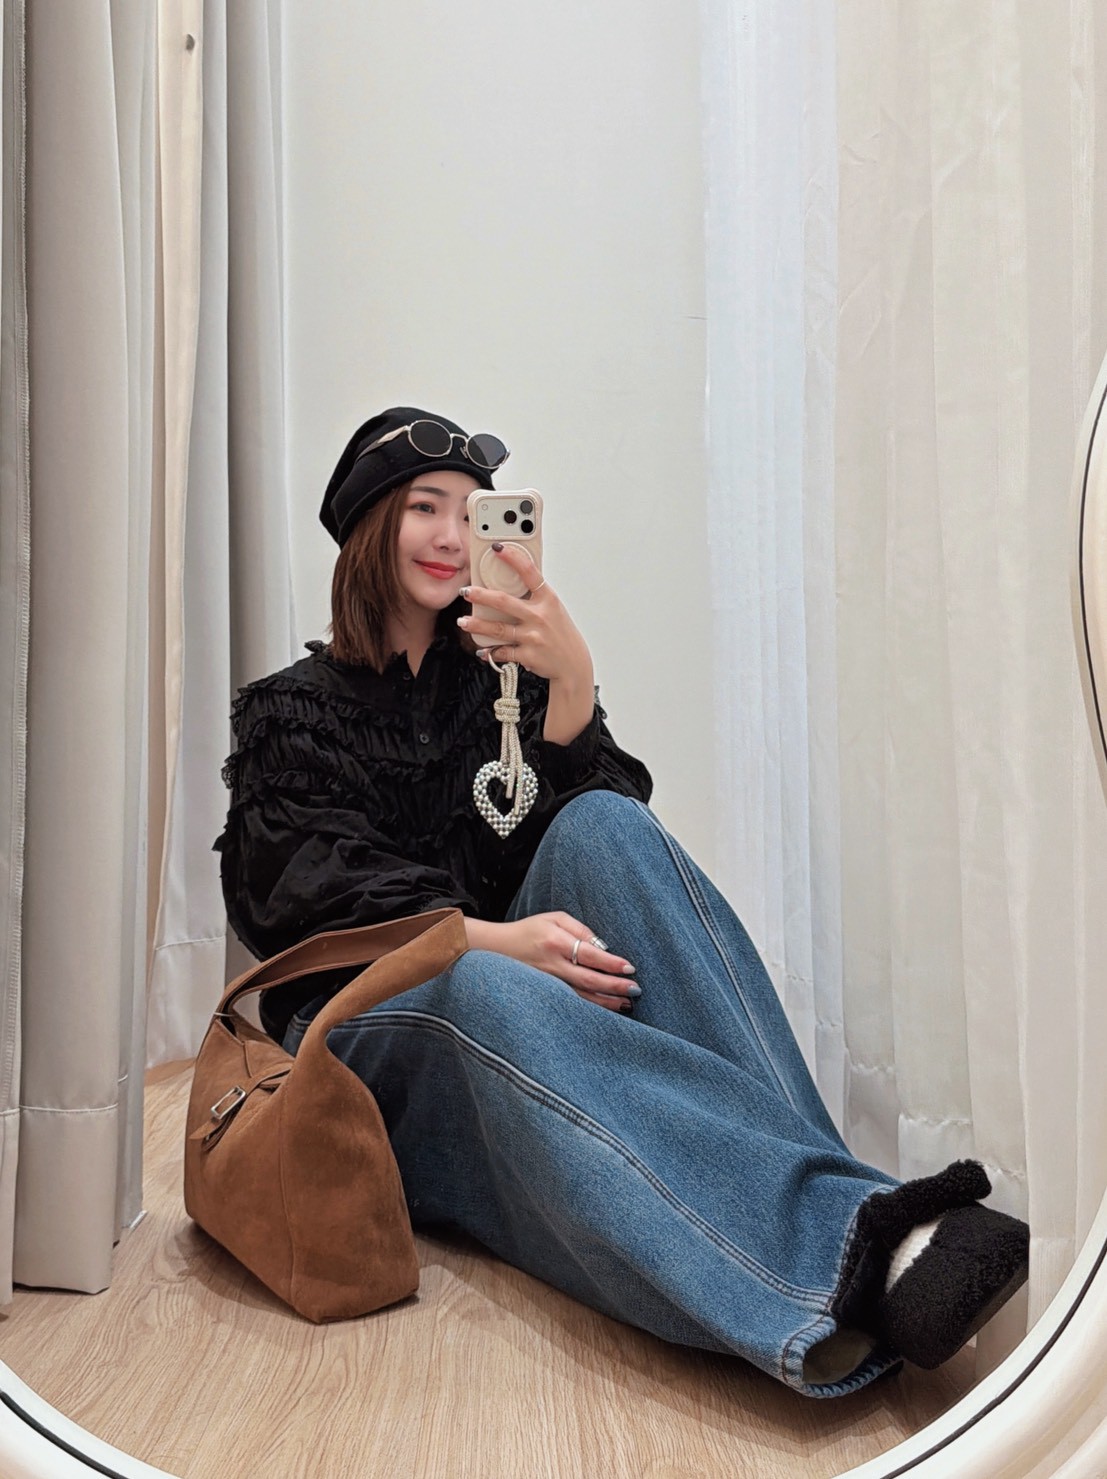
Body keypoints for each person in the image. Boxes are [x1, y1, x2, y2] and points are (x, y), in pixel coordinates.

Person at [216, 406, 1029, 1396]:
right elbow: (303, 900)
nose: (451, 535)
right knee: (486, 985)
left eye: (473, 512)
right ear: (366, 526)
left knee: (606, 827)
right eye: (424, 507)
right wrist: (490, 940)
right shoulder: (292, 710)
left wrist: (570, 684)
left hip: (508, 1000)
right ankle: (844, 1252)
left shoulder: (499, 683)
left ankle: (863, 1224)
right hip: (364, 1030)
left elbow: (581, 829)